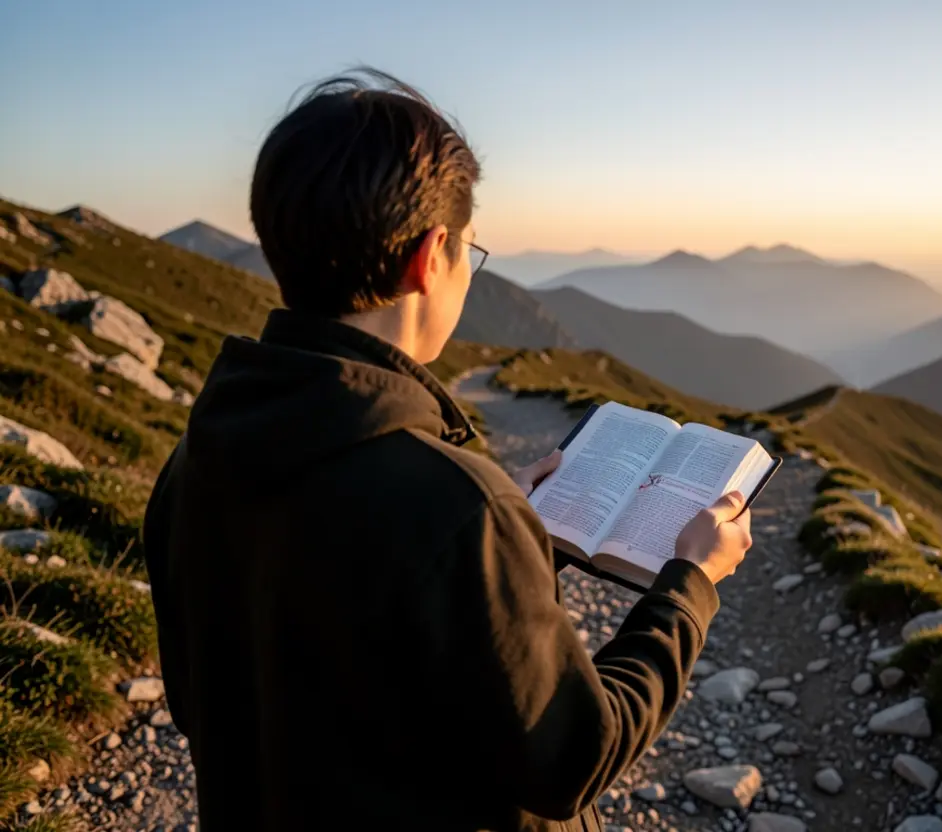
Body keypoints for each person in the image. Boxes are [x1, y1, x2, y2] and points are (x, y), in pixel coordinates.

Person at [142, 67, 753, 831]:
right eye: (469, 251)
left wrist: (514, 545)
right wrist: (689, 584)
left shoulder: (195, 461)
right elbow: (571, 761)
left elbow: (218, 699)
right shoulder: (458, 509)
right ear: (429, 257)